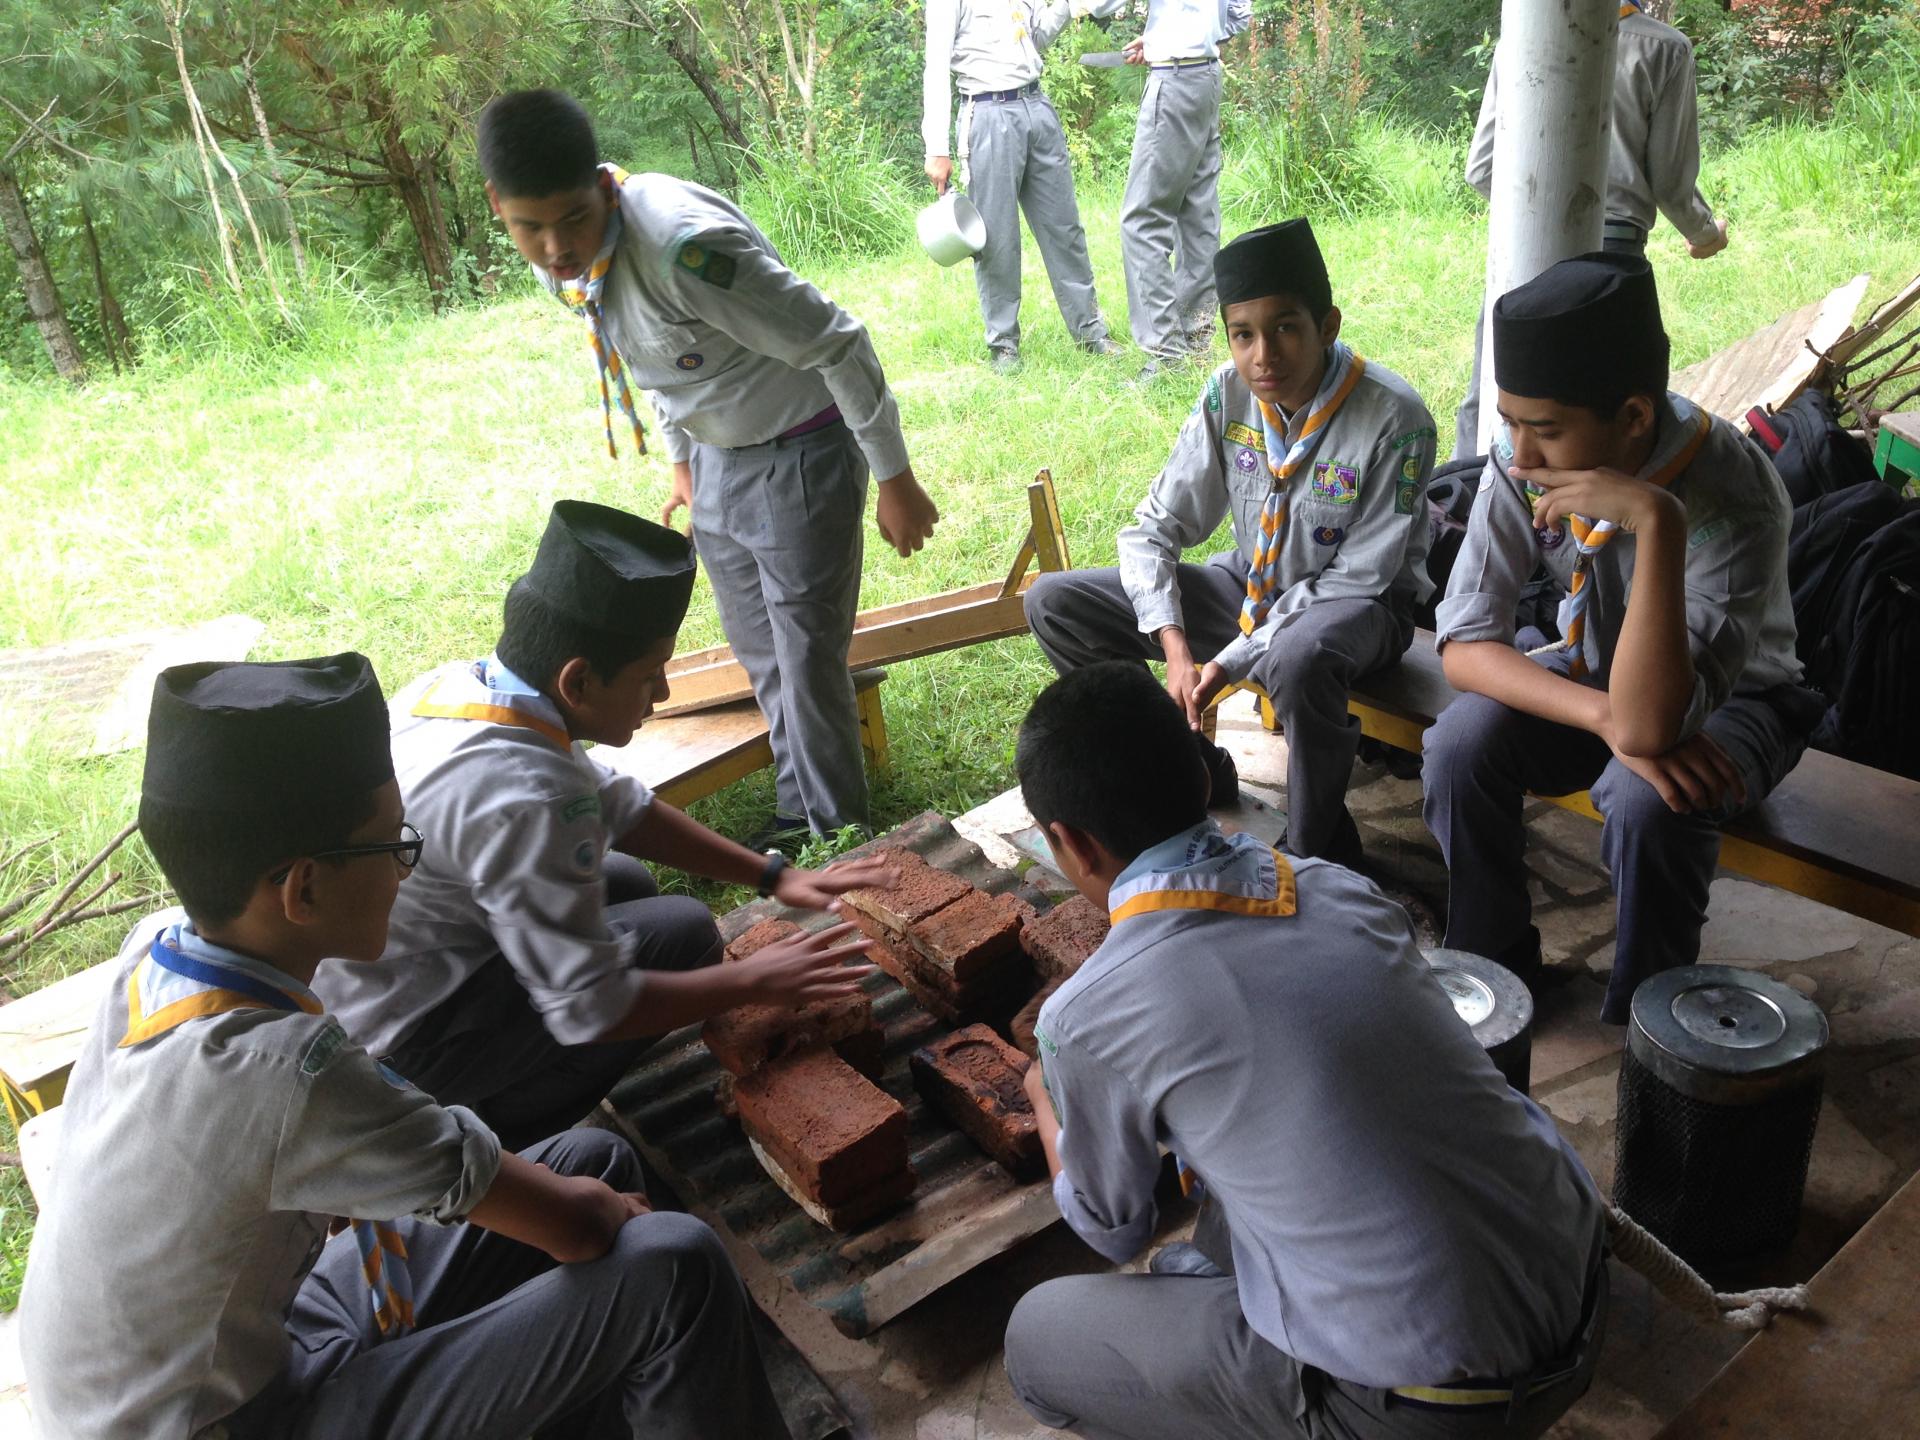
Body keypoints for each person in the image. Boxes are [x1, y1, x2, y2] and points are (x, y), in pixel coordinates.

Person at [19, 653, 791, 1440]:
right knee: (675, 1268)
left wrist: (587, 1205)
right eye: (391, 844)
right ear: (303, 890)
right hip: (229, 1420)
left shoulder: (155, 948)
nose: (404, 866)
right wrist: (593, 1217)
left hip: (236, 1354)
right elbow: (578, 1229)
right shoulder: (282, 1073)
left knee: (595, 1162)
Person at [1001, 662, 1608, 1440]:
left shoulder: (1086, 1017)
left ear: (1070, 845)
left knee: (1037, 1337)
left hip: (1437, 1408)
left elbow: (1113, 1226)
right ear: (1197, 768)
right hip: (1583, 1297)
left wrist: (1044, 1093)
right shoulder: (1334, 886)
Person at [313, 501, 885, 1151]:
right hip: (406, 1044)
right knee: (686, 932)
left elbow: (619, 805)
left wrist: (774, 875)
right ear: (578, 681)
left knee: (626, 881)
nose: (663, 695)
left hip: (388, 974)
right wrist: (756, 978)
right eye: (649, 675)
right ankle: (487, 1124)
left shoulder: (466, 691)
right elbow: (590, 1006)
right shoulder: (528, 799)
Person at [479, 88, 940, 843]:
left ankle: (834, 831)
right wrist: (683, 461)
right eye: (529, 227)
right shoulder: (564, 258)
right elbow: (650, 354)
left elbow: (838, 341)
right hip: (719, 453)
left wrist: (895, 477)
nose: (556, 248)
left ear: (604, 189)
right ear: (499, 205)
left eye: (572, 220)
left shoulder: (684, 252)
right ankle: (802, 807)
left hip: (802, 448)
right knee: (759, 648)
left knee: (805, 654)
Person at [1424, 252, 1821, 1023]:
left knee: (1648, 799)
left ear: (1635, 417)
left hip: (1742, 700)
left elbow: (1653, 724)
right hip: (1597, 678)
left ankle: (1652, 1023)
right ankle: (1494, 970)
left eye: (1544, 429)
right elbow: (1465, 648)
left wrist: (1656, 521)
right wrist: (1602, 716)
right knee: (1459, 745)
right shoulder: (1523, 460)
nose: (1519, 453)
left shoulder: (1730, 496)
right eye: (1509, 422)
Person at [1023, 219, 1437, 864]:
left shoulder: (1394, 418)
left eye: (1285, 328)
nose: (1262, 356)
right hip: (1248, 588)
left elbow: (1359, 579)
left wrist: (1233, 657)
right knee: (1054, 602)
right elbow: (1154, 526)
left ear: (1327, 325)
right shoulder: (1227, 393)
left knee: (1300, 657)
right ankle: (1179, 770)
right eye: (1243, 334)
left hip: (1359, 615)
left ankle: (1316, 849)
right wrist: (1176, 643)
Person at [1452, 0, 1730, 459]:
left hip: (1522, 249)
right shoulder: (1666, 49)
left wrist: (1535, 212)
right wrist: (1706, 235)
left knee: (1494, 391)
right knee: (1603, 409)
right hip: (1612, 261)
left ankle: (1467, 494)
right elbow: (1671, 184)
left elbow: (1482, 169)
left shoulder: (1520, 41)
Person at [922, 0, 1123, 373]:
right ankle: (1003, 344)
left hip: (1036, 105)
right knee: (997, 237)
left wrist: (1066, 5)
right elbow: (935, 65)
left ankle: (1090, 331)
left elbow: (1035, 38)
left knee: (1065, 228)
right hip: (986, 112)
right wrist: (936, 146)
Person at [1083, 0, 1251, 377]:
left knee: (1142, 220)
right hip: (1206, 77)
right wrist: (1169, 35)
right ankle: (1196, 338)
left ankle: (1166, 353)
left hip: (1175, 83)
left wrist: (1171, 40)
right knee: (1198, 216)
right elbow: (1238, 14)